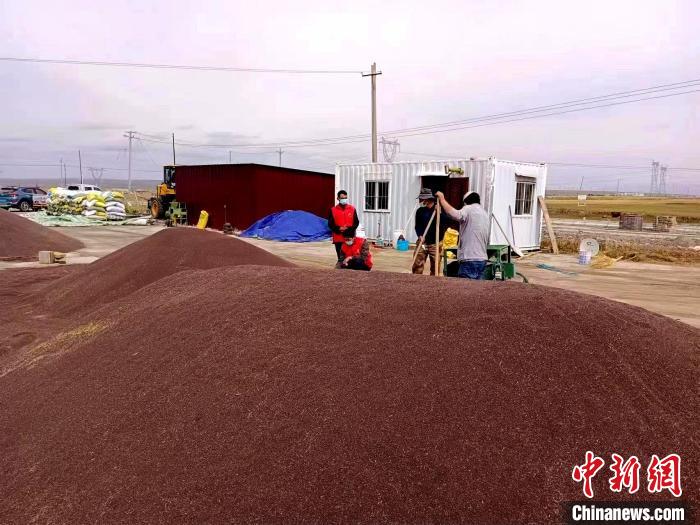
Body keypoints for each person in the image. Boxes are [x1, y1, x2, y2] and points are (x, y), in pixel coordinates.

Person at [435, 190, 489, 279]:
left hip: (469, 258)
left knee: (465, 290)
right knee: (477, 290)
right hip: (482, 259)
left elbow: (455, 214)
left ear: (466, 202)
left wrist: (442, 199)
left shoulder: (468, 209)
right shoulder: (484, 213)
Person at [412, 188, 448, 275]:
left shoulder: (439, 210)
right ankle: (416, 282)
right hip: (423, 242)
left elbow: (445, 223)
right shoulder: (420, 211)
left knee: (435, 267)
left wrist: (439, 213)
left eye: (424, 199)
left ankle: (433, 285)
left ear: (429, 199)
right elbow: (417, 226)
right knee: (417, 265)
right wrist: (420, 235)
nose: (422, 201)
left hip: (435, 243)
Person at [327, 190, 359, 261]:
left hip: (349, 238)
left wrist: (348, 230)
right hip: (338, 238)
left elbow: (356, 222)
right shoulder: (333, 210)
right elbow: (330, 224)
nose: (344, 199)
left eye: (345, 198)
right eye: (342, 198)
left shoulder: (352, 209)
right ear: (338, 198)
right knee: (341, 258)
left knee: (350, 257)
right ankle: (341, 270)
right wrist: (339, 228)